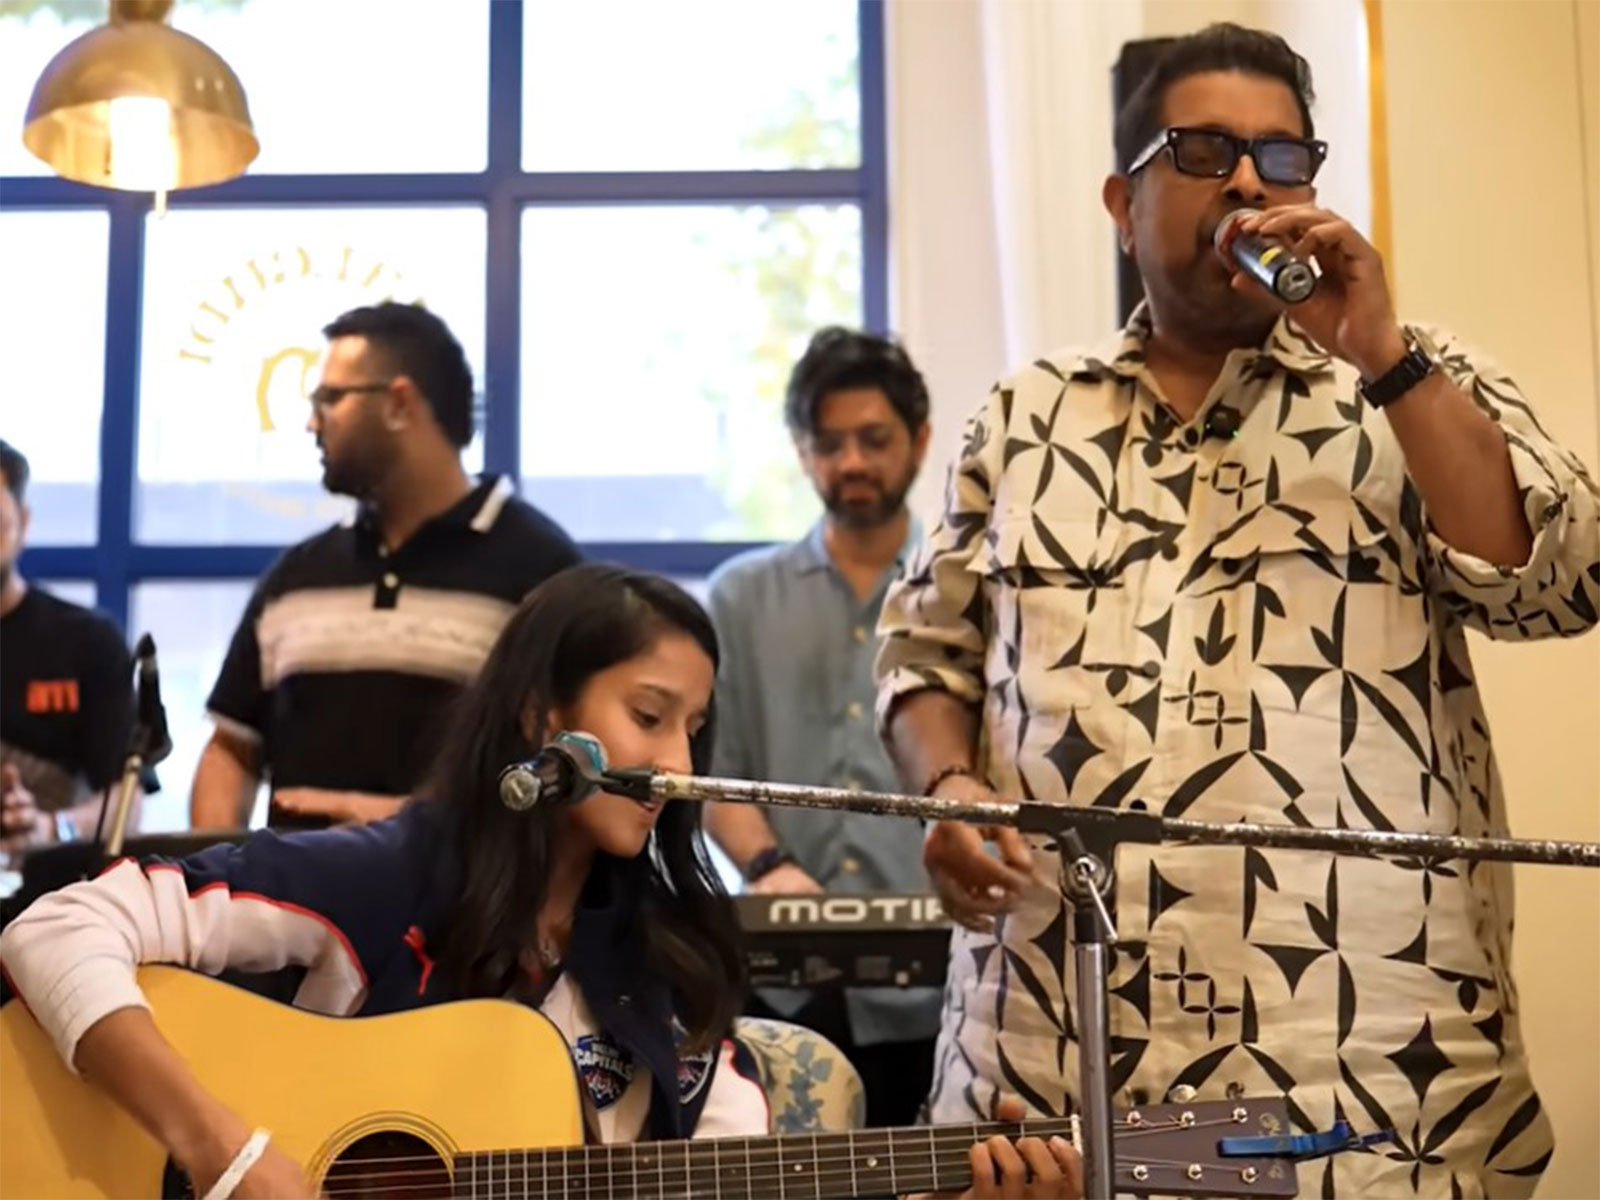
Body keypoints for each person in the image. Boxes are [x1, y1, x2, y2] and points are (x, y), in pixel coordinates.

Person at [875, 22, 1600, 1199]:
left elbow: (1555, 580)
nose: (1251, 181)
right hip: (1054, 1065)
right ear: (1125, 200)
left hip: (1358, 1079)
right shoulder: (1023, 416)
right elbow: (922, 653)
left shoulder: (1409, 386)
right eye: (1205, 149)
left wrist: (1386, 357)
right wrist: (950, 789)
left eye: (1283, 156)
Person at [1, 565, 1081, 1200]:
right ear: (536, 716)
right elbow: (53, 929)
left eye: (694, 728)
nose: (674, 757)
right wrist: (223, 1151)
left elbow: (729, 1167)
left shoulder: (665, 965)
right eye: (648, 716)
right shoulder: (387, 878)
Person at [189, 302, 580, 833]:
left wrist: (399, 825)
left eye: (329, 399)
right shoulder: (295, 578)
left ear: (399, 404)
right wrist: (215, 879)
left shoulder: (544, 574)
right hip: (288, 908)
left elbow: (569, 767)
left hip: (456, 912)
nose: (311, 423)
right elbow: (233, 750)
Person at [703, 327, 941, 1127]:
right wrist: (768, 866)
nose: (851, 463)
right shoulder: (738, 598)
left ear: (920, 440)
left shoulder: (966, 589)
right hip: (780, 989)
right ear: (802, 453)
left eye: (874, 439)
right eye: (828, 443)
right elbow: (714, 771)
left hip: (941, 989)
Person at [0, 439, 140, 857]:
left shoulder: (87, 641)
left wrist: (50, 827)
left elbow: (127, 801)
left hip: (51, 895)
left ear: (24, 523)